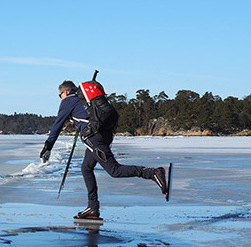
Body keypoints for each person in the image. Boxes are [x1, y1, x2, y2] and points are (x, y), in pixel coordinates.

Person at [41, 79, 168, 222]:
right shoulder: (82, 98)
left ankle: (153, 173)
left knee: (114, 170)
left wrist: (48, 146)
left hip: (93, 137)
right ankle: (92, 207)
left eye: (59, 96)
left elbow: (57, 125)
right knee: (86, 168)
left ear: (64, 92)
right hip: (103, 134)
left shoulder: (68, 100)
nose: (60, 99)